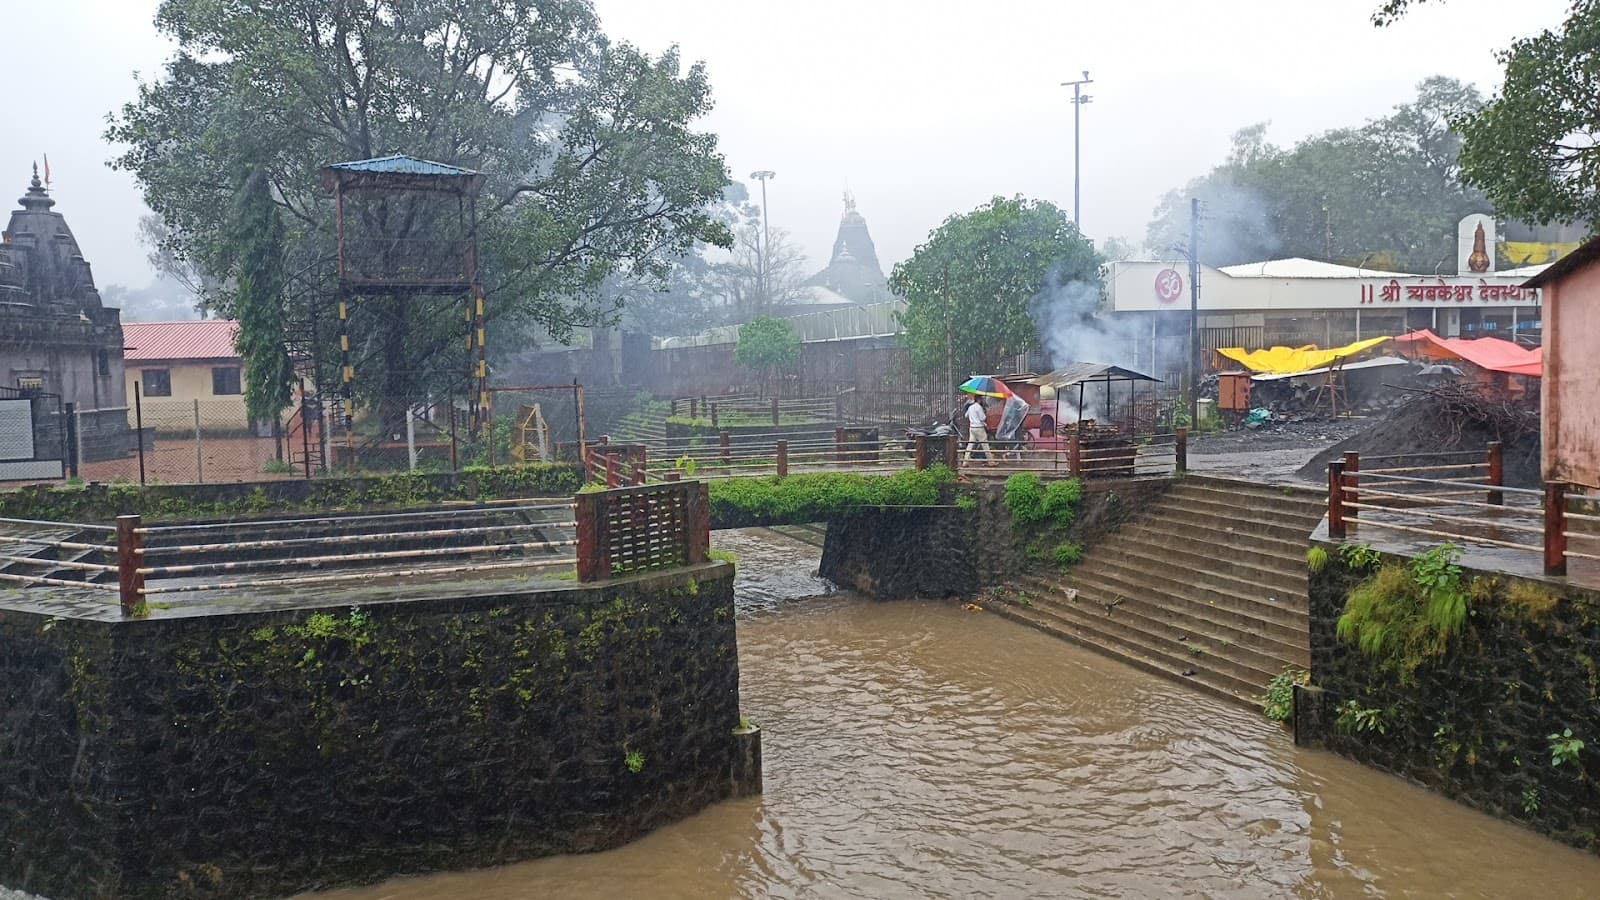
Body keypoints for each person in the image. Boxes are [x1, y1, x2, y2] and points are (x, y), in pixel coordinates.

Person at [963, 396, 995, 466]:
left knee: (970, 444)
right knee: (985, 444)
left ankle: (965, 461)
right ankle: (991, 462)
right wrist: (983, 412)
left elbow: (966, 415)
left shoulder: (970, 407)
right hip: (979, 428)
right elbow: (983, 418)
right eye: (982, 399)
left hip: (972, 428)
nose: (982, 400)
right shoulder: (978, 407)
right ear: (979, 399)